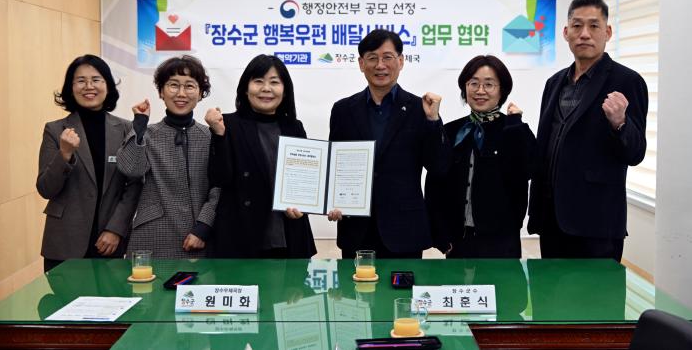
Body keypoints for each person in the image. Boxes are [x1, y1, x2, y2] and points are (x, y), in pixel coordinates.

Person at [527, 0, 649, 262]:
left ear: (607, 32)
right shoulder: (554, 82)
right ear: (565, 32)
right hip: (551, 219)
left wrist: (620, 123)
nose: (584, 34)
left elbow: (636, 152)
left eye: (594, 26)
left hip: (597, 223)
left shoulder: (627, 81)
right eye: (577, 25)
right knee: (549, 289)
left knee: (597, 291)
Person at [327, 28, 449, 259]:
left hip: (404, 230)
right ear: (361, 63)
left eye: (387, 57)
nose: (380, 65)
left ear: (401, 61)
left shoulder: (420, 108)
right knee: (356, 284)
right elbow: (334, 165)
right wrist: (331, 201)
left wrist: (433, 120)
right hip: (356, 229)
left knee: (402, 285)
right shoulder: (343, 110)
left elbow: (439, 166)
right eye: (372, 58)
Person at [37, 55, 140, 272]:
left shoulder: (125, 129)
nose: (89, 86)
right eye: (81, 81)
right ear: (71, 87)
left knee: (111, 296)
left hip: (109, 242)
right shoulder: (55, 130)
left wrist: (116, 229)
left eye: (96, 80)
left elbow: (134, 186)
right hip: (64, 243)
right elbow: (46, 189)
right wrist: (64, 154)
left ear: (107, 86)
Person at [205, 54, 316, 258]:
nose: (266, 88)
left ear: (285, 90)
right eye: (258, 81)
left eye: (274, 82)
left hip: (290, 233)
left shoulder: (294, 127)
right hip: (242, 236)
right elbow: (220, 178)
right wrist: (219, 135)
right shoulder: (227, 124)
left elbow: (304, 180)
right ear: (245, 89)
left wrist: (304, 205)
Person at [425, 55, 535, 258]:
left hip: (501, 244)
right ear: (464, 87)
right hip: (458, 242)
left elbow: (524, 173)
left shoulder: (515, 129)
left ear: (502, 90)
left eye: (489, 84)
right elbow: (435, 184)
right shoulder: (452, 131)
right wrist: (441, 237)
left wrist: (515, 126)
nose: (480, 91)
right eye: (473, 83)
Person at [117, 55, 220, 259]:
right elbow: (130, 169)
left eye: (189, 86)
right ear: (161, 92)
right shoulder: (147, 134)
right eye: (173, 85)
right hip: (152, 235)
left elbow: (219, 187)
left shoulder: (210, 136)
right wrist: (139, 125)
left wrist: (204, 226)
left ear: (200, 93)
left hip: (199, 236)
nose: (181, 93)